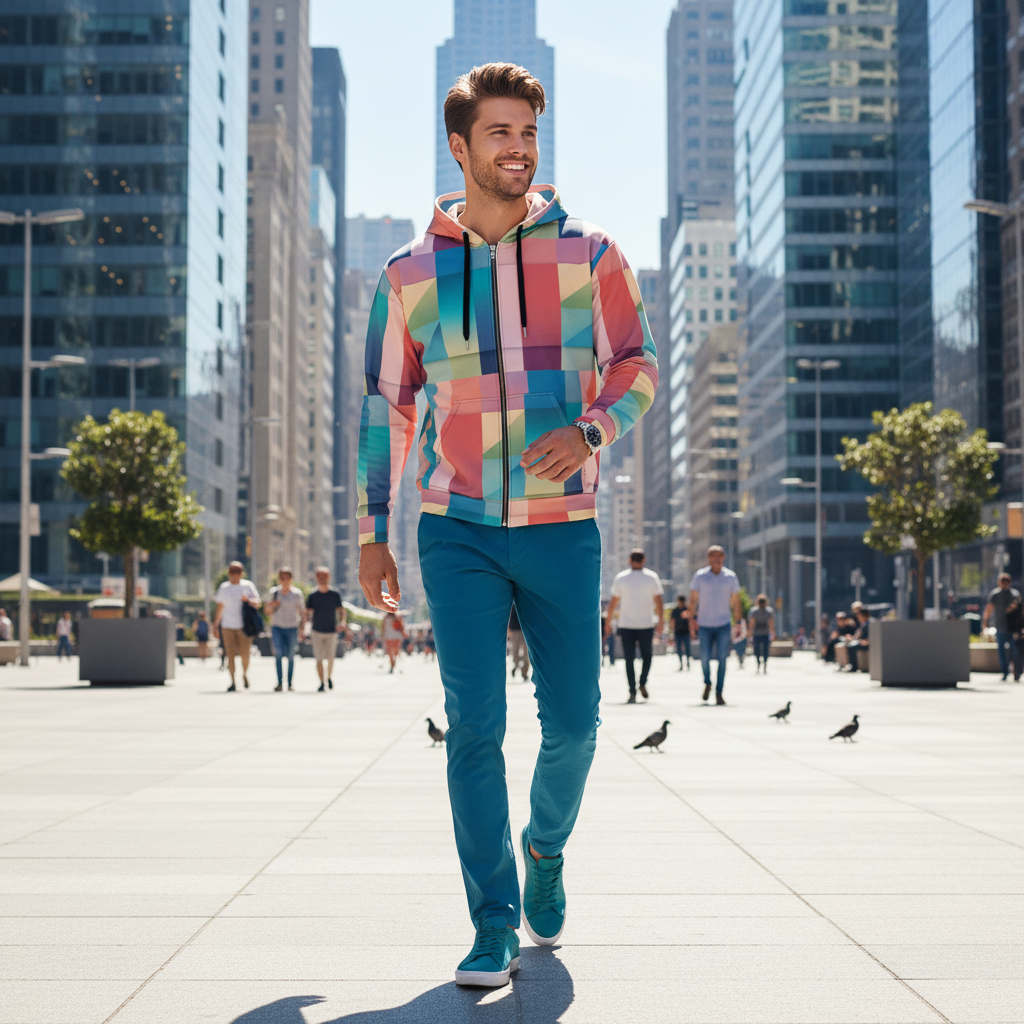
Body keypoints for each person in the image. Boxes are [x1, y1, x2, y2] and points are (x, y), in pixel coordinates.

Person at [356, 63, 657, 988]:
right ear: (460, 146)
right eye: (500, 134)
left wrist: (591, 428)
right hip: (456, 528)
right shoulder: (408, 274)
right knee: (474, 727)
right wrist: (374, 527)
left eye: (528, 133)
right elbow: (386, 406)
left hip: (563, 526)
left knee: (576, 724)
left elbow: (637, 365)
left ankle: (546, 847)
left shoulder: (593, 254)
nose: (519, 149)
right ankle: (491, 922)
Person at [605, 550, 664, 703]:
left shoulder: (622, 578)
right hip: (643, 624)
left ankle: (633, 690)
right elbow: (659, 602)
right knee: (646, 657)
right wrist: (661, 621)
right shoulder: (651, 577)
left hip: (628, 625)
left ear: (628, 560)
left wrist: (608, 622)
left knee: (629, 659)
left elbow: (613, 604)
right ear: (644, 560)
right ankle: (641, 683)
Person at [689, 545, 742, 705]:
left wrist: (738, 622)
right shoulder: (700, 576)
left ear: (723, 557)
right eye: (713, 556)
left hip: (723, 624)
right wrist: (691, 620)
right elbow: (693, 599)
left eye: (719, 556)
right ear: (708, 558)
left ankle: (719, 692)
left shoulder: (730, 577)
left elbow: (736, 602)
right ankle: (707, 683)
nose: (716, 559)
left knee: (722, 659)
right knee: (704, 658)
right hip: (704, 624)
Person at [213, 561, 261, 692]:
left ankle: (244, 674)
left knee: (245, 655)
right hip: (228, 626)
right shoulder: (224, 587)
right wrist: (216, 624)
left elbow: (258, 603)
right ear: (229, 573)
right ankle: (232, 681)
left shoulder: (247, 586)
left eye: (238, 572)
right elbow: (220, 606)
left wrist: (249, 600)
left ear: (242, 573)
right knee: (230, 655)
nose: (235, 575)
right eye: (232, 572)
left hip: (244, 627)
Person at [305, 566, 345, 692]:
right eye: (320, 577)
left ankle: (329, 677)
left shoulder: (335, 594)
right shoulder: (312, 595)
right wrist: (304, 627)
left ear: (329, 578)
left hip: (331, 631)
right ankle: (322, 682)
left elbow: (341, 611)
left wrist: (342, 622)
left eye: (325, 577)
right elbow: (307, 613)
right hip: (316, 631)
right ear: (316, 578)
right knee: (319, 658)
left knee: (330, 658)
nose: (322, 579)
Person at [266, 567, 304, 692]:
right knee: (278, 654)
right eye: (282, 578)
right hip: (277, 627)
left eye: (286, 578)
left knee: (291, 656)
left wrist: (302, 628)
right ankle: (279, 683)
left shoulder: (296, 594)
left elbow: (302, 612)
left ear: (291, 579)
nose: (284, 580)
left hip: (292, 628)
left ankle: (290, 683)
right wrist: (272, 605)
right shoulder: (274, 592)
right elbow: (267, 612)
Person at [983, 573, 1021, 681]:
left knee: (1014, 651)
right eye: (1002, 581)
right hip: (1000, 627)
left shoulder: (1014, 594)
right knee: (1003, 651)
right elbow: (989, 608)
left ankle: (1016, 672)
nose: (1004, 584)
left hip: (1012, 628)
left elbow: (1020, 610)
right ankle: (1005, 672)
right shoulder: (995, 594)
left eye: (1006, 582)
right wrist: (985, 621)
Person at [749, 594, 774, 673]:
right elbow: (752, 622)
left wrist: (772, 631)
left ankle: (763, 663)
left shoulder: (767, 611)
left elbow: (771, 623)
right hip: (760, 633)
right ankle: (760, 662)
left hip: (762, 633)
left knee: (762, 649)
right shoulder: (755, 611)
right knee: (760, 649)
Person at [508, 604, 530, 681]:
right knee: (516, 652)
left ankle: (523, 671)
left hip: (523, 631)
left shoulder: (524, 604)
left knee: (525, 654)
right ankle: (516, 667)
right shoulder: (513, 605)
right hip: (516, 631)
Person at [669, 595, 691, 670]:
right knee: (679, 649)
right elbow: (672, 622)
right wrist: (671, 633)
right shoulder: (675, 611)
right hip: (678, 632)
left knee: (688, 649)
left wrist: (692, 632)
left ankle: (688, 663)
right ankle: (681, 664)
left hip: (686, 632)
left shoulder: (687, 610)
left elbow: (691, 621)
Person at [382, 608, 406, 673]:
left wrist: (383, 636)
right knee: (395, 652)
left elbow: (383, 628)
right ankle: (393, 664)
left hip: (389, 637)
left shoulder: (386, 618)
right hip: (396, 637)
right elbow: (402, 626)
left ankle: (392, 665)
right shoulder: (397, 617)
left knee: (391, 653)